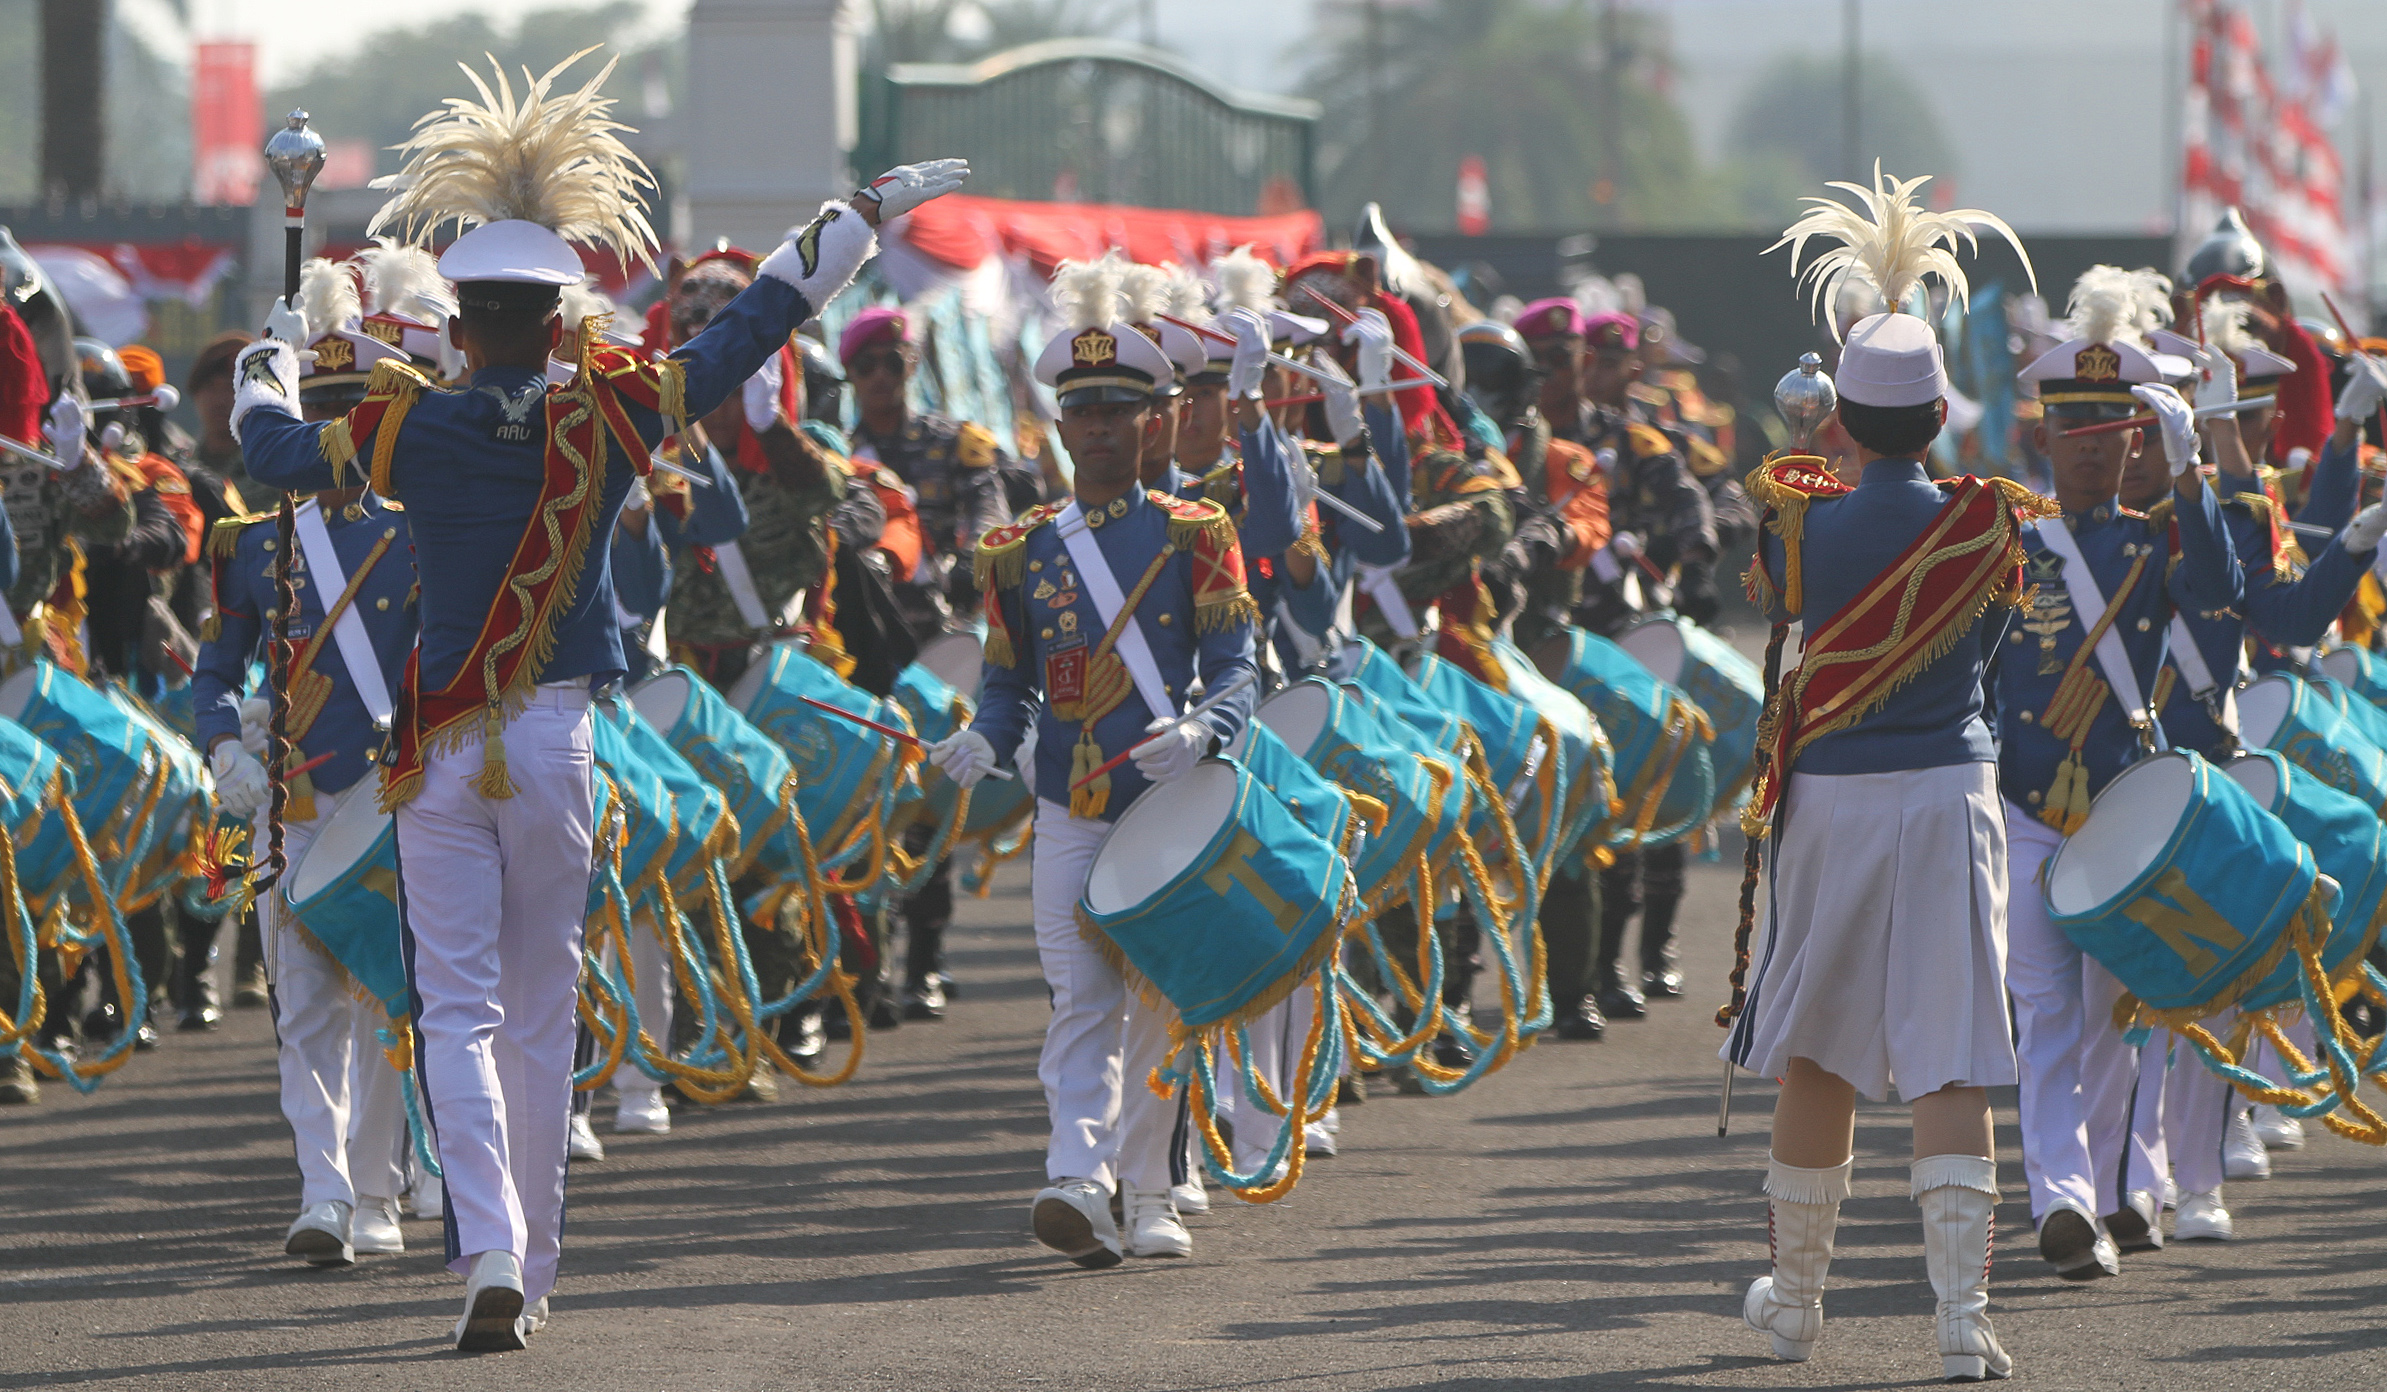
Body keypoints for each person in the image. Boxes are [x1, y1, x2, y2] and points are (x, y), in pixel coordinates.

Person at [230, 47, 967, 1351]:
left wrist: (263, 367)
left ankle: (490, 1251)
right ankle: (526, 1242)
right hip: (559, 741)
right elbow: (750, 329)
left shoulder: (413, 426)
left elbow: (281, 456)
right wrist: (858, 214)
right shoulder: (614, 409)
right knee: (536, 1006)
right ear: (559, 317)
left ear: (459, 329)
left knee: (449, 1009)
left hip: (436, 757)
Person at [1725, 168, 2045, 1380]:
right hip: (1951, 792)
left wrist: (1810, 439)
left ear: (1847, 417)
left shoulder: (1796, 517)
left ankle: (1799, 1307)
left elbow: (1780, 588)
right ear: (1943, 416)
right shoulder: (1986, 521)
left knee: (1819, 1050)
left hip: (1835, 802)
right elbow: (1997, 646)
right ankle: (1960, 1322)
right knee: (1952, 1050)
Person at [929, 261, 1260, 1268]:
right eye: (1084, 414)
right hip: (1067, 804)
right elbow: (1006, 684)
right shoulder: (1017, 553)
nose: (1102, 431)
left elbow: (1239, 671)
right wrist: (984, 737)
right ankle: (1077, 1178)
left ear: (1156, 422)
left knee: (1158, 1006)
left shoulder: (1196, 535)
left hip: (1165, 808)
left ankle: (1150, 1190)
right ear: (1060, 427)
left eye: (1121, 412)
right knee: (1081, 999)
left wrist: (1203, 732)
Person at [2002, 268, 2242, 1282]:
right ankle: (2062, 1202)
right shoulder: (2007, 549)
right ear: (2044, 440)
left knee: (2106, 1023)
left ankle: (2108, 1188)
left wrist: (2194, 482)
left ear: (2135, 442)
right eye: (2076, 434)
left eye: (2113, 435)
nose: (2094, 450)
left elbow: (2223, 604)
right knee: (2046, 1017)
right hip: (2021, 811)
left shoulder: (2154, 549)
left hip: (2117, 818)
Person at [194, 285, 420, 1265]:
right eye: (317, 412)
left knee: (383, 996)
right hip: (287, 798)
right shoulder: (248, 543)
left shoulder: (415, 534)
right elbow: (215, 669)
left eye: (352, 415)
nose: (336, 433)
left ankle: (375, 1191)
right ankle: (321, 1193)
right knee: (303, 1006)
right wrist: (221, 743)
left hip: (390, 793)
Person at [1461, 317, 1612, 1041]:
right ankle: (1452, 991)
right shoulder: (1448, 455)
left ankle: (1574, 987)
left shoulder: (1565, 458)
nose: (1478, 402)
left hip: (1544, 657)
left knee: (1569, 821)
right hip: (1465, 660)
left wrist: (1540, 539)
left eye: (1491, 387)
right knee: (1455, 818)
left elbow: (1586, 520)